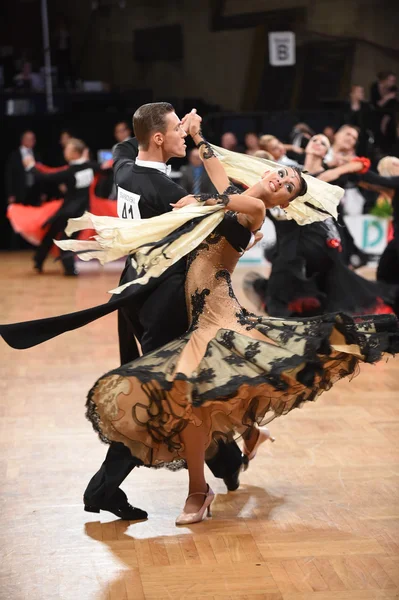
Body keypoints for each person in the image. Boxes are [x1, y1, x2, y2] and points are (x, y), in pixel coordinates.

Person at [59, 121, 399, 525]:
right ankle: (237, 450)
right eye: (282, 173)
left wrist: (195, 196)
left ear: (285, 202)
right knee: (190, 400)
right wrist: (199, 139)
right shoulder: (237, 192)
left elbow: (218, 200)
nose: (280, 179)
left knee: (188, 400)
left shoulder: (254, 210)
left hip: (213, 313)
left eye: (288, 186)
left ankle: (199, 491)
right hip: (187, 307)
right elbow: (216, 175)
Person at [243, 134, 399, 318]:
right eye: (314, 140)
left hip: (316, 244)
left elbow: (345, 177)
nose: (317, 144)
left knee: (327, 298)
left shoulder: (325, 178)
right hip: (288, 247)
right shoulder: (288, 176)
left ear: (326, 152)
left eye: (323, 143)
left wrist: (346, 164)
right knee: (288, 299)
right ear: (307, 146)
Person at [23, 138, 102, 275]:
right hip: (74, 210)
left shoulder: (70, 171)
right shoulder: (91, 166)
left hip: (72, 212)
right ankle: (39, 260)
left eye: (68, 149)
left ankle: (69, 269)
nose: (65, 152)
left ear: (76, 153)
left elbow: (46, 177)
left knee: (65, 239)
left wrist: (30, 167)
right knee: (52, 232)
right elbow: (105, 168)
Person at [6, 131, 42, 206]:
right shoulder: (14, 155)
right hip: (19, 192)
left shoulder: (37, 154)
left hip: (35, 193)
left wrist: (43, 191)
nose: (31, 141)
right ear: (22, 140)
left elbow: (42, 173)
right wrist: (10, 194)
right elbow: (9, 175)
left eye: (32, 139)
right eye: (28, 139)